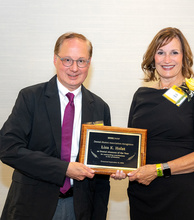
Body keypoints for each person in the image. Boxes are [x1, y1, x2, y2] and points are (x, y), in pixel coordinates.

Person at [0, 32, 111, 220]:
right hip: (33, 206)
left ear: (89, 63)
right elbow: (8, 149)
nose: (74, 68)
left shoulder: (100, 107)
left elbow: (101, 175)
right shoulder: (31, 98)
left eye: (81, 61)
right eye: (67, 60)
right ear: (55, 59)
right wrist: (63, 168)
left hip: (81, 209)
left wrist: (114, 167)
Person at [125, 27, 194, 219]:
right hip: (143, 196)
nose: (167, 60)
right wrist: (119, 166)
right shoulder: (141, 95)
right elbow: (132, 146)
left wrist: (158, 170)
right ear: (153, 58)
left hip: (182, 197)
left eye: (174, 52)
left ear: (184, 57)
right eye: (160, 52)